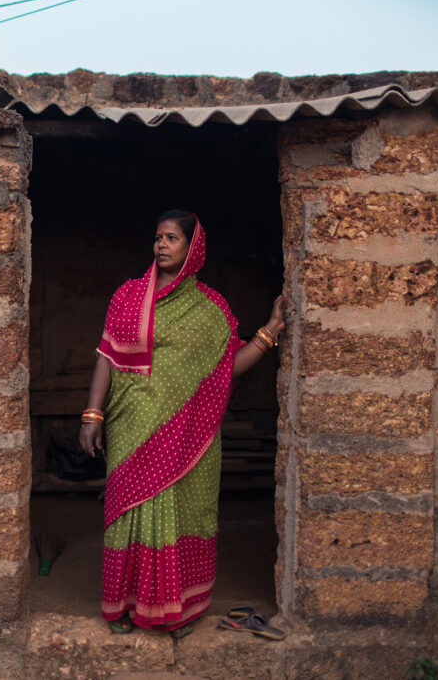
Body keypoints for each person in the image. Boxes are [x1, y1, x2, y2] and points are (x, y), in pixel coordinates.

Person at [79, 210, 285, 639]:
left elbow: (228, 367)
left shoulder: (210, 309)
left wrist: (269, 331)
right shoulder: (127, 297)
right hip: (131, 425)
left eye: (172, 238)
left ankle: (175, 611)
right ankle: (122, 607)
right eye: (158, 237)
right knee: (128, 512)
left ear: (194, 248)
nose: (162, 245)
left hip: (187, 435)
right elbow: (106, 357)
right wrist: (92, 415)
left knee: (181, 513)